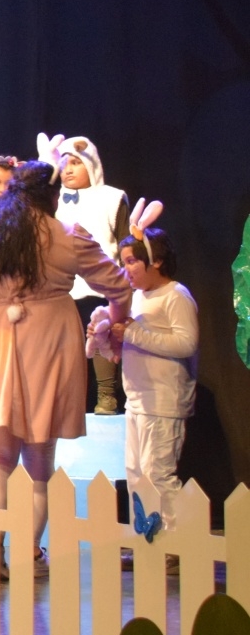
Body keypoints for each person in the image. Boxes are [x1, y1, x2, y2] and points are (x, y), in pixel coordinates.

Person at [0, 161, 131, 577]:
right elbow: (118, 285)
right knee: (40, 459)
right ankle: (29, 553)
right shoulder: (68, 234)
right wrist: (115, 326)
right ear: (52, 197)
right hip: (49, 342)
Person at [89, 210, 196, 529]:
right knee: (136, 475)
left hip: (163, 402)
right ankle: (147, 541)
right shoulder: (136, 298)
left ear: (156, 261)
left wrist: (133, 333)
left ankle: (174, 543)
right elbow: (129, 343)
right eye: (123, 263)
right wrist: (106, 337)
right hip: (137, 401)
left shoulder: (175, 295)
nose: (126, 270)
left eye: (132, 261)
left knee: (158, 474)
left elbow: (186, 343)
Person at [45, 134, 130, 415]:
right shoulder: (53, 201)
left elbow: (124, 241)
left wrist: (126, 282)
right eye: (63, 164)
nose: (68, 170)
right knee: (67, 347)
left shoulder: (112, 198)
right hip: (63, 288)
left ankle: (106, 395)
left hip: (102, 286)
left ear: (91, 164)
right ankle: (72, 401)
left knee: (101, 336)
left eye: (76, 163)